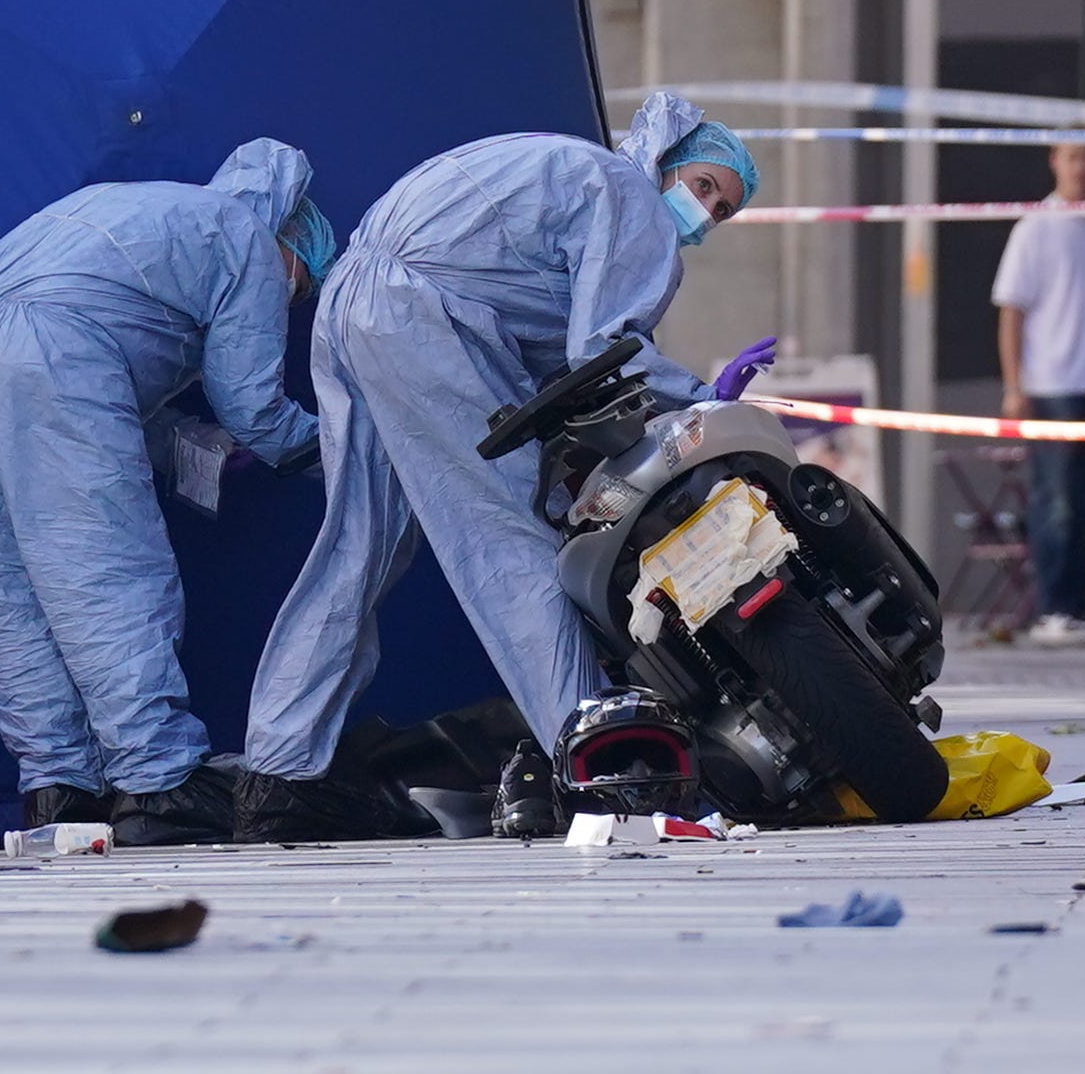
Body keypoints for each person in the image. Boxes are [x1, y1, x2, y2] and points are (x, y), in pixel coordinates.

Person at [233, 93, 769, 842]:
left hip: (356, 300)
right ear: (670, 160)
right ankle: (595, 762)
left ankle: (276, 776)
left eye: (723, 210)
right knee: (509, 541)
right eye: (706, 185)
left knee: (355, 551)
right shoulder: (628, 199)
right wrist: (702, 399)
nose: (704, 213)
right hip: (420, 320)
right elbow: (602, 351)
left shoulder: (572, 169)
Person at [0, 139, 334, 845]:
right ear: (291, 245)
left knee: (11, 582)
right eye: (300, 287)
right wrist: (344, 450)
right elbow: (255, 408)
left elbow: (114, 365)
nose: (288, 300)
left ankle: (58, 786)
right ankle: (158, 781)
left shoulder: (157, 213)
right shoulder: (246, 239)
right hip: (53, 348)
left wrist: (194, 450)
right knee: (106, 570)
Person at [993, 144, 1085, 648]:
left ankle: (1078, 603)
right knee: (1056, 500)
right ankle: (1055, 606)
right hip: (1051, 385)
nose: (1083, 168)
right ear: (1056, 161)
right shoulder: (1035, 227)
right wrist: (1015, 386)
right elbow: (1011, 311)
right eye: (1074, 158)